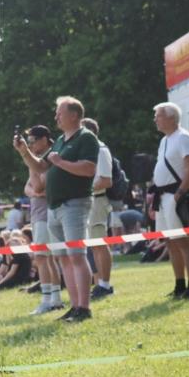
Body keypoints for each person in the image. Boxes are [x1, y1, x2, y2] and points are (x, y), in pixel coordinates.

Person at [15, 96, 99, 323]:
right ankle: (74, 307)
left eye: (59, 113)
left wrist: (61, 163)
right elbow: (41, 166)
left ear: (74, 115)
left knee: (76, 256)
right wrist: (24, 151)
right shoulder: (61, 140)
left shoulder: (86, 138)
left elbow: (89, 169)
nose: (56, 117)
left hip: (75, 204)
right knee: (63, 258)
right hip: (54, 207)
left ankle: (84, 307)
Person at [150, 102, 189, 299]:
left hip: (174, 196)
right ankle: (180, 284)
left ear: (171, 117)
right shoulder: (165, 140)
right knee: (170, 242)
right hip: (163, 197)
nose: (155, 119)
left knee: (184, 241)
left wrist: (179, 193)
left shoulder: (183, 137)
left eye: (159, 115)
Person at [16, 125, 62, 314]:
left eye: (33, 141)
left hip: (46, 213)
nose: (31, 145)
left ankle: (48, 299)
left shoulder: (49, 158)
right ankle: (53, 297)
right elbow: (28, 189)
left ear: (44, 139)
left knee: (43, 257)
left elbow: (37, 187)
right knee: (45, 258)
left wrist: (29, 162)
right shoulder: (37, 160)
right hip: (38, 213)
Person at [82, 117, 114, 300]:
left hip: (98, 200)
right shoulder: (92, 150)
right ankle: (100, 283)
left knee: (100, 244)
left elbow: (105, 180)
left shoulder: (100, 150)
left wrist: (82, 188)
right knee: (94, 246)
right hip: (91, 200)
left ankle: (105, 284)